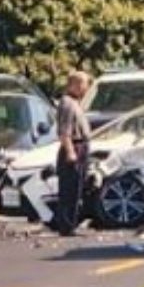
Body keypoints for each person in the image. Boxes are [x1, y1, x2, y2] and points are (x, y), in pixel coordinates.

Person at [54, 71, 92, 236]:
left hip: (81, 147)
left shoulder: (75, 103)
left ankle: (71, 223)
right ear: (74, 85)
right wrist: (70, 152)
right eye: (84, 84)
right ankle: (66, 225)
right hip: (74, 147)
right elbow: (65, 131)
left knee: (77, 189)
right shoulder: (67, 104)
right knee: (69, 190)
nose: (86, 88)